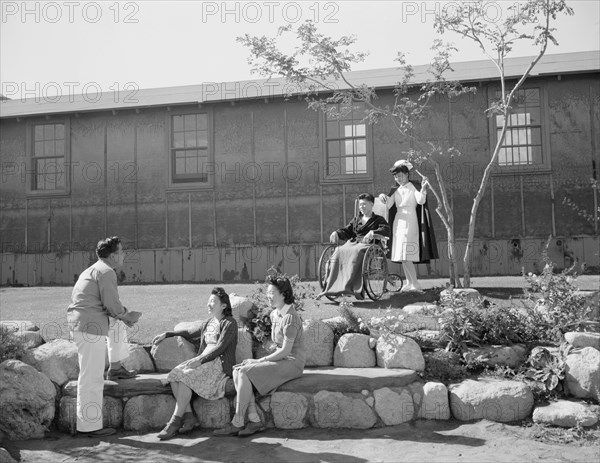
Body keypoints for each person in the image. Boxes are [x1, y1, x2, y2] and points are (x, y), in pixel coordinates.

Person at [67, 236, 142, 437]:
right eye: (122, 251)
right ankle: (89, 427)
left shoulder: (96, 269)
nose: (124, 255)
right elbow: (111, 304)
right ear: (113, 255)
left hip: (86, 323)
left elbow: (111, 307)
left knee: (117, 325)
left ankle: (116, 368)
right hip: (89, 328)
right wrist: (128, 316)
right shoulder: (107, 272)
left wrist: (123, 316)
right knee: (91, 377)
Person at [214, 276, 305, 437]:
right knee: (238, 370)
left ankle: (238, 421)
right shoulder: (274, 314)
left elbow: (285, 351)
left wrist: (258, 361)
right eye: (267, 292)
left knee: (243, 372)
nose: (268, 296)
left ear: (283, 294)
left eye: (271, 293)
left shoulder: (290, 317)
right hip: (281, 360)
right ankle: (254, 419)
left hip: (292, 363)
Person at [152, 287, 238, 440]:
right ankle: (189, 416)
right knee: (174, 375)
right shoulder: (209, 323)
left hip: (217, 364)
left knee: (185, 378)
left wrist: (200, 361)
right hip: (203, 361)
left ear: (223, 306)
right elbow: (189, 333)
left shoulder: (230, 323)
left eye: (213, 302)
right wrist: (168, 334)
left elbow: (220, 348)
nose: (209, 304)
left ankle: (174, 422)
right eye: (208, 301)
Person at [379, 160, 438, 292]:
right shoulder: (396, 189)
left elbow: (421, 200)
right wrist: (383, 196)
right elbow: (388, 205)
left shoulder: (414, 186)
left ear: (407, 174)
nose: (398, 179)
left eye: (400, 175)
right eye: (395, 176)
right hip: (398, 223)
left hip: (410, 221)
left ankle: (415, 284)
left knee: (407, 254)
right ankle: (409, 282)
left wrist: (423, 188)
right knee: (402, 255)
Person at [318, 193, 390, 299]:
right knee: (338, 250)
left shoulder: (379, 220)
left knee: (355, 252)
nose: (361, 207)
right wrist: (337, 233)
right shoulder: (356, 220)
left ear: (371, 204)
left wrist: (372, 232)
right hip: (353, 242)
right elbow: (347, 230)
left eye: (364, 204)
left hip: (368, 245)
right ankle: (333, 287)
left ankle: (350, 287)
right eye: (360, 205)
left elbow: (385, 230)